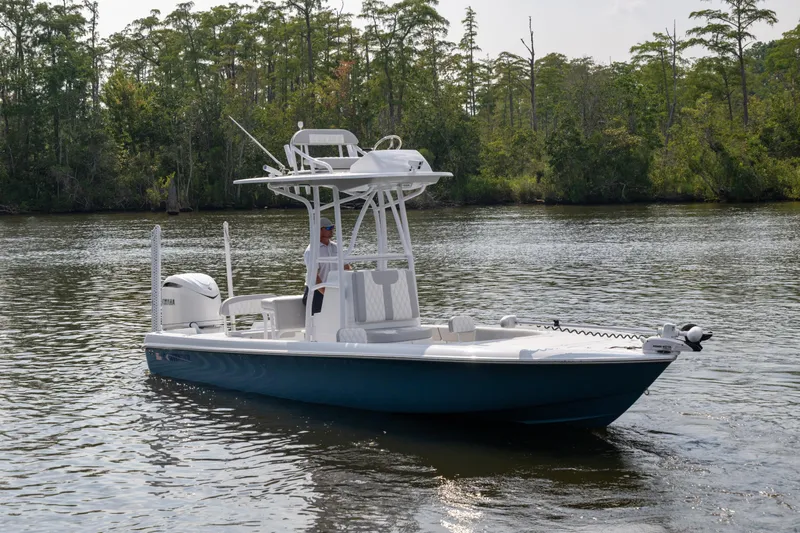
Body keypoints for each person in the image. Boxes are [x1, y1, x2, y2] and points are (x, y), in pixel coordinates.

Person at [302, 217, 350, 314]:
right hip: (316, 293)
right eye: (328, 228)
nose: (332, 230)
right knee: (319, 324)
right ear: (319, 230)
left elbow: (346, 267)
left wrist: (348, 286)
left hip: (334, 290)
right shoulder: (312, 250)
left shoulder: (336, 247)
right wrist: (326, 293)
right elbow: (314, 276)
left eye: (332, 227)